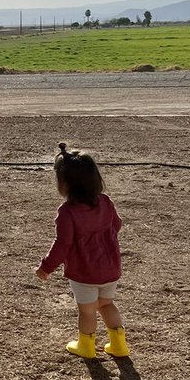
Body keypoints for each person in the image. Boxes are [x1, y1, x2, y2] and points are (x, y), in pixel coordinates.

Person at [35, 142, 129, 359]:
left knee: (87, 310)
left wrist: (46, 267)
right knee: (106, 304)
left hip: (84, 271)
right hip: (110, 267)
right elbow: (117, 224)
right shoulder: (106, 202)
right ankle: (119, 345)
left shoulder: (67, 212)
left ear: (64, 184)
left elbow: (62, 244)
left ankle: (86, 346)